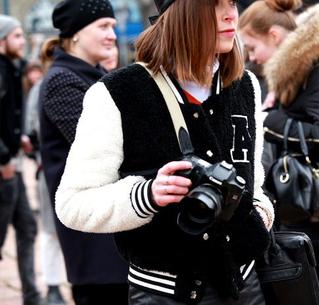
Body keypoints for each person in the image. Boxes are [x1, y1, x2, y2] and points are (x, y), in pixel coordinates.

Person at [54, 0, 274, 304]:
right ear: (183, 11)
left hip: (245, 285)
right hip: (164, 292)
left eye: (233, 3)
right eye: (216, 4)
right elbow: (72, 204)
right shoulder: (117, 93)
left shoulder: (245, 84)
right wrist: (147, 195)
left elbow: (254, 178)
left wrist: (262, 213)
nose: (231, 15)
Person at [239, 2, 319, 305]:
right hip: (305, 205)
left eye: (253, 48)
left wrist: (271, 120)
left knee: (316, 293)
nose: (252, 58)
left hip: (318, 208)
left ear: (275, 36)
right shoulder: (296, 70)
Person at [38, 1, 128, 305]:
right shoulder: (63, 81)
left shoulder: (93, 77)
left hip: (111, 236)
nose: (112, 35)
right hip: (94, 245)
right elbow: (107, 149)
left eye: (113, 27)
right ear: (75, 34)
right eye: (103, 26)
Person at [0, 14, 44, 305]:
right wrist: (3, 158)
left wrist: (20, 141)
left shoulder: (12, 69)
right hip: (4, 167)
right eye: (16, 36)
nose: (22, 40)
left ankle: (31, 295)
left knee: (27, 227)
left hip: (13, 164)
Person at [24, 44, 68, 305]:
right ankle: (52, 286)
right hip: (50, 171)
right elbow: (31, 130)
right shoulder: (43, 88)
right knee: (51, 232)